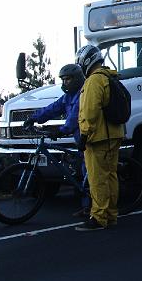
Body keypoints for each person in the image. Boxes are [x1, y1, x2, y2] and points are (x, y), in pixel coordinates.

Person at [23, 64, 89, 217]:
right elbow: (52, 109)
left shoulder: (82, 95)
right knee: (81, 171)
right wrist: (33, 118)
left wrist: (60, 131)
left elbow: (74, 119)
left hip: (89, 138)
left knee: (88, 172)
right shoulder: (67, 97)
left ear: (77, 79)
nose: (65, 82)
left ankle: (89, 207)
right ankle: (87, 202)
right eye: (63, 79)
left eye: (68, 79)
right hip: (80, 139)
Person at [75, 44, 125, 231]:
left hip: (99, 138)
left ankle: (98, 217)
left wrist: (84, 135)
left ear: (87, 62)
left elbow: (90, 111)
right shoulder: (110, 77)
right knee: (111, 176)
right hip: (114, 135)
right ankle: (111, 214)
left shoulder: (94, 81)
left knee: (97, 179)